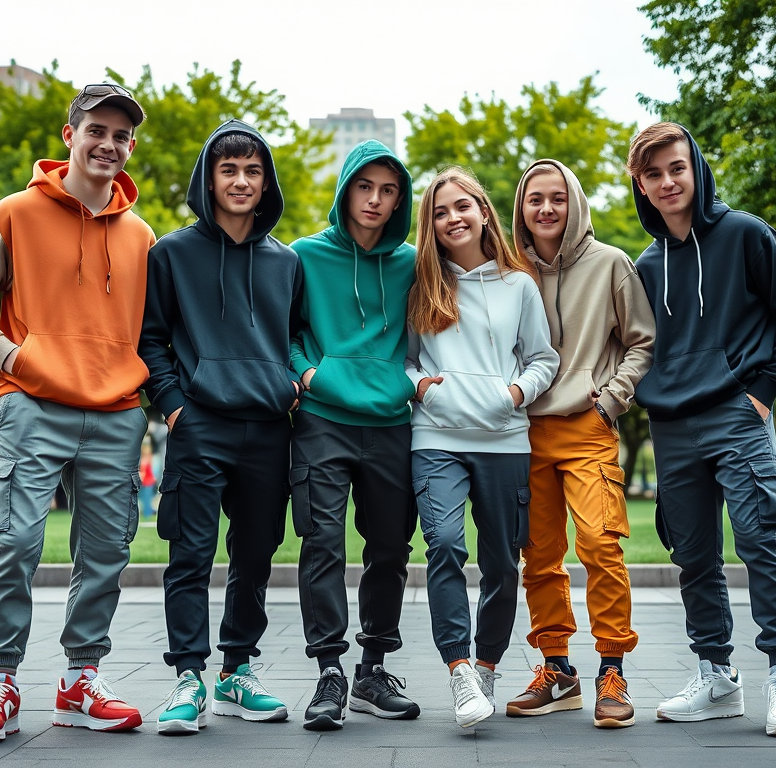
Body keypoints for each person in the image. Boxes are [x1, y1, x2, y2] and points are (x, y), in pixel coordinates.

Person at [0, 83, 155, 743]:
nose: (108, 145)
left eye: (121, 136)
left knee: (106, 553)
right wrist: (14, 359)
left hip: (117, 412)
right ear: (70, 136)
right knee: (16, 542)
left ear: (130, 147)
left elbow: (155, 331)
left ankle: (79, 679)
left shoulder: (144, 235)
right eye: (97, 131)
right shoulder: (12, 214)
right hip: (31, 403)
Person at [626, 123, 776, 737]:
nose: (667, 182)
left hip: (736, 415)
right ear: (641, 185)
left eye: (676, 168)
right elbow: (640, 347)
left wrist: (761, 394)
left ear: (695, 167)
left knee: (760, 538)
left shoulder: (745, 234)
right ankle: (716, 675)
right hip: (673, 427)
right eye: (653, 174)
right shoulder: (646, 265)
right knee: (695, 555)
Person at [139, 119, 302, 735]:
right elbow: (150, 340)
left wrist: (288, 387)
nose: (240, 180)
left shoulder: (285, 262)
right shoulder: (172, 254)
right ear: (208, 179)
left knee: (255, 556)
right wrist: (176, 406)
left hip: (267, 429)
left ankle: (237, 669)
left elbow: (293, 340)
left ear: (266, 184)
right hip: (199, 424)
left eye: (252, 171)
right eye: (228, 169)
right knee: (191, 555)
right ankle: (187, 676)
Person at [405, 167, 559, 728]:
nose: (453, 219)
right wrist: (418, 385)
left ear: (484, 211)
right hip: (436, 438)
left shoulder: (519, 285)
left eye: (462, 206)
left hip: (504, 440)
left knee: (501, 563)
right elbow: (399, 359)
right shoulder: (420, 283)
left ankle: (488, 664)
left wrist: (517, 390)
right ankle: (460, 669)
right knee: (445, 545)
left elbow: (544, 358)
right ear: (431, 223)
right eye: (441, 212)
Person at [507, 159, 656, 728]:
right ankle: (556, 670)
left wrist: (611, 399)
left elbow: (642, 342)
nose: (546, 209)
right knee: (539, 557)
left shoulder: (611, 264)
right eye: (534, 199)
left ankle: (612, 670)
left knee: (600, 545)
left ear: (575, 202)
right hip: (522, 433)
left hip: (587, 428)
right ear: (521, 209)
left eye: (557, 198)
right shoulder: (510, 270)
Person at [289, 141, 420, 730]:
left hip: (392, 422)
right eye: (364, 187)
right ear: (345, 190)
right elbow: (285, 333)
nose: (375, 200)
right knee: (322, 543)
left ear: (400, 200)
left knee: (390, 548)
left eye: (388, 190)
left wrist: (414, 384)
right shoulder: (303, 257)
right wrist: (309, 373)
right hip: (321, 419)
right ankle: (329, 672)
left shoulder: (414, 262)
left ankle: (371, 669)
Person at [139, 442, 157, 519]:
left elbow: (143, 472)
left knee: (146, 500)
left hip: (147, 483)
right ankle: (148, 514)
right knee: (147, 500)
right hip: (148, 482)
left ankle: (147, 514)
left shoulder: (145, 460)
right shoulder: (147, 459)